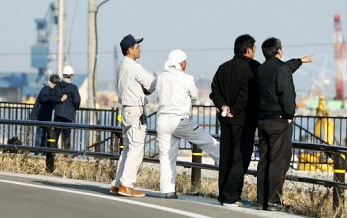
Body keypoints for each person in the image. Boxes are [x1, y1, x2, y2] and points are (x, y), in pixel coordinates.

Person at [256, 37, 312, 211]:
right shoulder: (281, 69)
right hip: (279, 120)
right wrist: (289, 115)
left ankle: (262, 200)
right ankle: (273, 201)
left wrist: (300, 61)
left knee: (264, 159)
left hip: (263, 119)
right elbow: (287, 94)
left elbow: (284, 68)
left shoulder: (261, 69)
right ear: (279, 50)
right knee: (279, 160)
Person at [157, 49, 220, 199]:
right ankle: (221, 159)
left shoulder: (161, 77)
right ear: (181, 62)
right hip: (180, 120)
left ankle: (168, 190)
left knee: (166, 157)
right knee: (205, 140)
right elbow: (195, 97)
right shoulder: (187, 78)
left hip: (162, 121)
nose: (186, 64)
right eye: (185, 61)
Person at [209, 34, 260, 207]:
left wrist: (224, 106)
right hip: (244, 121)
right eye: (254, 49)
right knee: (241, 158)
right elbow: (246, 94)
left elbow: (214, 90)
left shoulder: (223, 67)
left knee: (226, 158)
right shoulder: (254, 68)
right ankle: (232, 197)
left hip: (225, 120)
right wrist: (236, 110)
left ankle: (223, 195)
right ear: (248, 50)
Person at [110, 34, 156, 198]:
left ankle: (117, 184)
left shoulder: (122, 66)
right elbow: (152, 84)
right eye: (137, 47)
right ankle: (126, 185)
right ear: (129, 50)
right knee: (136, 148)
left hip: (126, 109)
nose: (140, 49)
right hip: (136, 110)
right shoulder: (135, 67)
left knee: (128, 148)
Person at [30, 74, 64, 148]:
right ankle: (37, 151)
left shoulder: (47, 88)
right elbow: (44, 98)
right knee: (40, 134)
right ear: (55, 83)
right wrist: (58, 99)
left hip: (42, 116)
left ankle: (41, 150)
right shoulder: (47, 89)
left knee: (42, 134)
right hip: (41, 116)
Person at [53, 65, 81, 150]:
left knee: (55, 135)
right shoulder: (73, 88)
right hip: (68, 115)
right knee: (67, 135)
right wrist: (74, 108)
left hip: (58, 114)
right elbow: (77, 101)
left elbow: (53, 99)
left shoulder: (57, 87)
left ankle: (52, 152)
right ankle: (66, 154)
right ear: (71, 76)